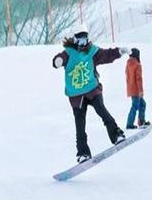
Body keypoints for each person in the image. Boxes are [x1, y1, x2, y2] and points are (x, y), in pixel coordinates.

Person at [53, 24, 130, 163]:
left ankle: (116, 135)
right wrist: (57, 61)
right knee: (80, 124)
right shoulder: (69, 53)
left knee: (103, 112)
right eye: (80, 39)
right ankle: (83, 153)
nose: (84, 42)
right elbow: (60, 58)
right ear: (75, 40)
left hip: (92, 89)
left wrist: (119, 51)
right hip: (77, 95)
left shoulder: (92, 51)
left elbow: (106, 55)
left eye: (85, 39)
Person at [125, 48, 150, 129]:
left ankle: (141, 121)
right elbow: (139, 79)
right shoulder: (137, 65)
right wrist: (141, 91)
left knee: (142, 104)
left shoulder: (128, 64)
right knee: (135, 106)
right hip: (136, 89)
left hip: (130, 89)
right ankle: (130, 124)